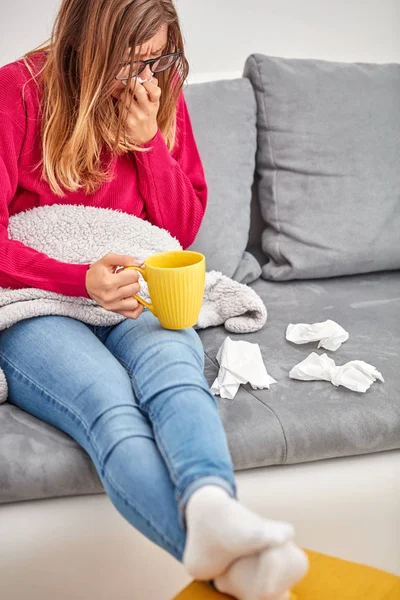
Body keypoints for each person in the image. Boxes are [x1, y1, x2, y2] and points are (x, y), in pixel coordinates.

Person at [0, 1, 308, 598]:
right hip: (40, 296)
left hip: (135, 285)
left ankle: (215, 510)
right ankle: (235, 563)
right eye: (129, 63)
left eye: (158, 59)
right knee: (110, 404)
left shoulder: (159, 91)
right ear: (85, 50)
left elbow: (180, 227)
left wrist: (149, 145)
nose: (146, 79)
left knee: (176, 377)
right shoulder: (16, 91)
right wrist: (76, 278)